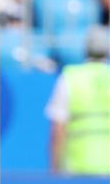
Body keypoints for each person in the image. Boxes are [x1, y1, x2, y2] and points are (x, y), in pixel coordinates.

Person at [45, 26, 110, 176]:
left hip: (77, 169)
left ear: (85, 49)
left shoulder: (70, 78)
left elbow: (58, 130)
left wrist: (55, 169)